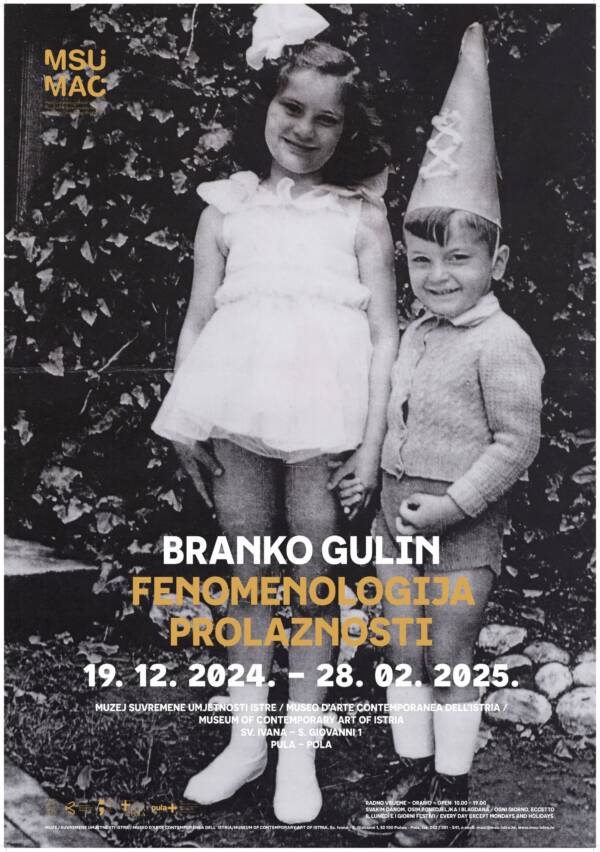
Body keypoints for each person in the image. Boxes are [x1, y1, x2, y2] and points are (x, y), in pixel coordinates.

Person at [151, 4, 398, 825]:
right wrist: (185, 424)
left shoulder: (359, 214)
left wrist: (370, 446)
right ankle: (248, 741)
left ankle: (299, 751)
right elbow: (198, 321)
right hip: (236, 408)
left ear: (347, 131)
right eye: (292, 107)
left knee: (314, 581)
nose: (305, 129)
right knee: (250, 574)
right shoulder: (226, 209)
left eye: (327, 119)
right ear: (264, 102)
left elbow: (385, 334)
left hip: (327, 417)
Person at [341, 23, 544, 847]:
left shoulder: (503, 343)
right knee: (402, 650)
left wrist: (455, 504)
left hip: (460, 532)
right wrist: (371, 480)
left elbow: (516, 442)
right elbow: (393, 414)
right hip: (395, 524)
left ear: (498, 262)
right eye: (422, 261)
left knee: (449, 654)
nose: (438, 276)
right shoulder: (418, 333)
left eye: (458, 259)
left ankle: (453, 799)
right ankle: (414, 769)